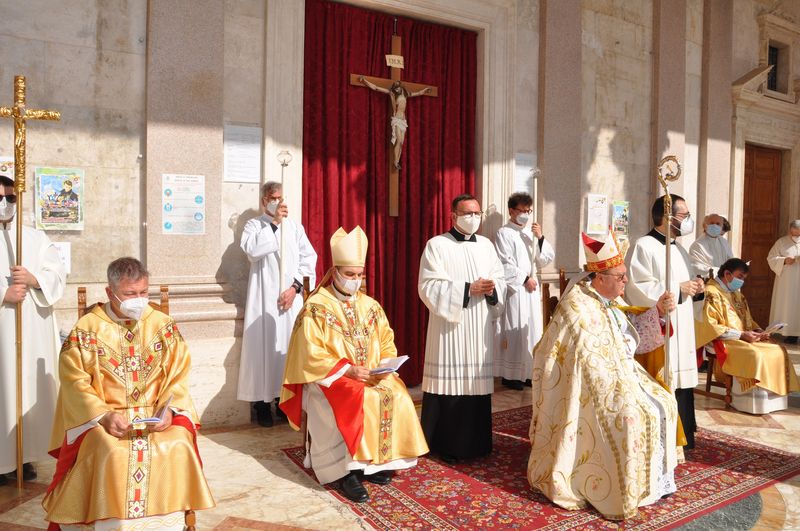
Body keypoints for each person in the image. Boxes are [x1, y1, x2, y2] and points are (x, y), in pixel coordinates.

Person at [43, 257, 215, 529]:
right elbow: (74, 380)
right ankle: (112, 525)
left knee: (178, 442)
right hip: (106, 419)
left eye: (144, 292)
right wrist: (102, 416)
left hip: (155, 416)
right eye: (130, 294)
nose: (139, 300)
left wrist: (169, 411)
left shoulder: (162, 324)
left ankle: (167, 525)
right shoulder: (86, 329)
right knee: (110, 450)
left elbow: (178, 372)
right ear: (110, 292)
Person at [528, 232, 679, 521]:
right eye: (620, 277)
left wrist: (658, 311)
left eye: (624, 275)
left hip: (624, 375)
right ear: (599, 278)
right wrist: (613, 382)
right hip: (588, 386)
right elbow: (578, 358)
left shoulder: (608, 301)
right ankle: (618, 488)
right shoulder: (578, 306)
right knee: (628, 415)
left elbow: (631, 334)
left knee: (664, 402)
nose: (626, 281)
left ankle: (650, 484)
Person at [279, 226, 428, 503]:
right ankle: (345, 471)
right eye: (350, 275)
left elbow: (386, 340)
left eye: (360, 275)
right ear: (335, 272)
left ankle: (374, 463)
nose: (356, 280)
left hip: (369, 374)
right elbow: (309, 352)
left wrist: (385, 366)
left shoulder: (371, 305)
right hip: (330, 377)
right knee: (358, 397)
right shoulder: (316, 307)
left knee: (395, 393)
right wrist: (348, 370)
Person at [418, 194, 506, 462]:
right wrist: (468, 289)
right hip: (449, 329)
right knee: (449, 383)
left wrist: (492, 290)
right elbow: (428, 286)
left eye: (477, 213)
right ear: (453, 216)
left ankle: (477, 444)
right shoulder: (437, 245)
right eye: (468, 213)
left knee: (475, 384)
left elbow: (500, 278)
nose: (473, 218)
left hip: (479, 325)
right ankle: (444, 445)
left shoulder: (487, 246)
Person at [0, 167, 66, 485]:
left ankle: (24, 458)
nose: (5, 203)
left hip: (31, 331)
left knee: (25, 391)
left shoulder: (35, 237)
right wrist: (4, 295)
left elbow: (57, 273)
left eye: (10, 197)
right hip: (3, 329)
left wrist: (34, 279)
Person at [626, 194, 703, 449]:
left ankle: (685, 433)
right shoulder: (643, 246)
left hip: (683, 324)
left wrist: (697, 286)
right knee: (665, 377)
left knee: (683, 381)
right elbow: (637, 286)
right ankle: (663, 437)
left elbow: (687, 283)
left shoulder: (679, 248)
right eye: (684, 215)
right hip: (661, 327)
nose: (688, 220)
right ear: (666, 217)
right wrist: (678, 288)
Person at [237, 181, 317, 427]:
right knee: (264, 351)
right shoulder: (254, 225)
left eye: (281, 198)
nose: (279, 202)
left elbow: (308, 259)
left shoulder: (294, 227)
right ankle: (262, 404)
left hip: (289, 300)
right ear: (264, 201)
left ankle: (284, 402)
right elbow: (253, 251)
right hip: (264, 301)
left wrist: (295, 288)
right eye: (274, 198)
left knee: (286, 350)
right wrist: (274, 224)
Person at [697, 258, 800, 413]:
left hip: (743, 337)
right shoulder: (711, 292)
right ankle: (747, 400)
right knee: (756, 354)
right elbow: (710, 326)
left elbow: (748, 320)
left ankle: (772, 399)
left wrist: (759, 331)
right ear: (727, 274)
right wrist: (741, 335)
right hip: (721, 338)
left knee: (779, 350)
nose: (742, 281)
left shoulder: (737, 294)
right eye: (740, 277)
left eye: (744, 278)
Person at [494, 192, 555, 390]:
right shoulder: (503, 233)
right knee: (515, 328)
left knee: (532, 330)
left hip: (531, 289)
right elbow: (504, 263)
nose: (525, 215)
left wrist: (540, 237)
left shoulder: (530, 233)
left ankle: (528, 372)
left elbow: (544, 259)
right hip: (517, 290)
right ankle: (511, 375)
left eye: (528, 211)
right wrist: (524, 279)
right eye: (522, 211)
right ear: (511, 211)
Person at [359, 77, 431, 169]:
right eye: (395, 88)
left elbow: (418, 93)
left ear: (401, 87)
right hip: (396, 120)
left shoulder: (405, 94)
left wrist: (425, 90)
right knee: (399, 140)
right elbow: (376, 87)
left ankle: (397, 161)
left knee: (401, 143)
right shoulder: (392, 94)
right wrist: (364, 81)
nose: (397, 89)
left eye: (398, 87)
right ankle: (395, 162)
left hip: (403, 121)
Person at [768, 220, 800, 342]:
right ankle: (790, 333)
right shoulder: (781, 242)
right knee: (788, 304)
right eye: (794, 233)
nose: (796, 236)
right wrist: (784, 260)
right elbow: (771, 258)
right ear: (790, 230)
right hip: (787, 282)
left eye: (798, 234)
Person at [689, 213, 733, 278]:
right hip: (707, 281)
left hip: (724, 280)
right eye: (712, 223)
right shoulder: (698, 245)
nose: (715, 226)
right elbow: (697, 267)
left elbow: (731, 261)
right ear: (705, 226)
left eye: (718, 224)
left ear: (721, 227)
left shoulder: (724, 242)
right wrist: (721, 272)